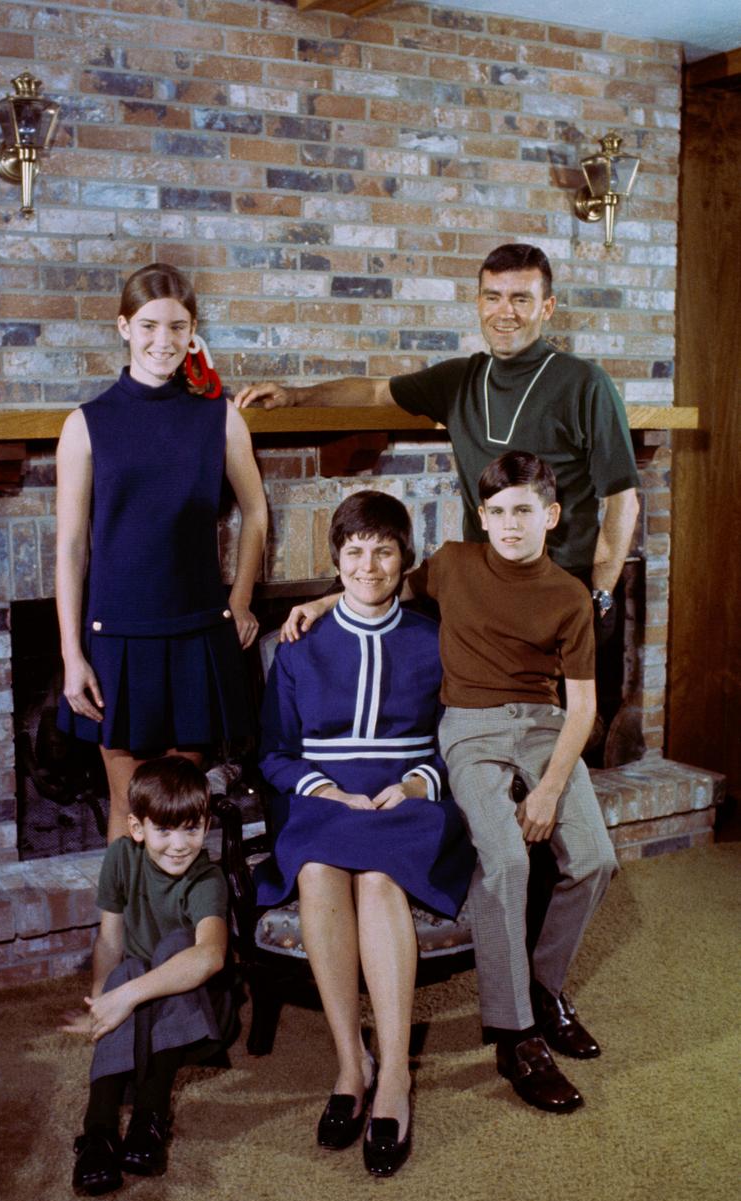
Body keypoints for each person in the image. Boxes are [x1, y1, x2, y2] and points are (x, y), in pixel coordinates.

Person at [282, 453, 619, 1114]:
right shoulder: (454, 563)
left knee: (593, 858)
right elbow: (380, 585)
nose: (508, 525)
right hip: (470, 727)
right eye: (495, 512)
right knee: (502, 860)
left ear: (548, 516)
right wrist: (325, 599)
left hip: (548, 725)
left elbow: (581, 709)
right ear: (480, 518)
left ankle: (544, 987)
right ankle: (514, 1033)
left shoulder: (569, 595)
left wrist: (549, 789)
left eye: (522, 510)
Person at [235, 242, 640, 744]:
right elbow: (377, 392)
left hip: (558, 594)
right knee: (485, 733)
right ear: (478, 303)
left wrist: (598, 591)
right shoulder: (461, 379)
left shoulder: (585, 384)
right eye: (492, 297)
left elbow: (623, 498)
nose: (504, 312)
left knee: (556, 741)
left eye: (520, 298)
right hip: (484, 594)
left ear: (547, 307)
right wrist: (297, 396)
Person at [257, 491, 475, 1176]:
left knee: (379, 878)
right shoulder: (297, 646)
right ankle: (351, 1067)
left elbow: (457, 736)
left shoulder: (435, 637)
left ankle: (395, 1081)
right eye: (354, 551)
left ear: (404, 558)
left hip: (409, 800)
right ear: (335, 561)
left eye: (383, 549)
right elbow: (272, 752)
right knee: (319, 871)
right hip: (324, 801)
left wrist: (416, 785)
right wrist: (325, 790)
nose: (368, 564)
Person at [56, 262, 268, 841]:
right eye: (149, 325)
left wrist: (242, 598)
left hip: (197, 631)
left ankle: (183, 931)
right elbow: (72, 548)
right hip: (117, 636)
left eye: (177, 327)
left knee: (179, 805)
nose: (163, 341)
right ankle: (118, 933)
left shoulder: (219, 418)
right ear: (124, 327)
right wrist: (72, 657)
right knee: (128, 799)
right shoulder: (85, 424)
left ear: (193, 330)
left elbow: (256, 513)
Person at [62, 756, 238, 1196]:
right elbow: (108, 942)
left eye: (191, 828)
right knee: (130, 966)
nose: (179, 844)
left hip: (202, 1016)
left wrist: (126, 998)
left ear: (205, 825)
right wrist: (101, 1007)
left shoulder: (207, 877)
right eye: (164, 830)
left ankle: (150, 1118)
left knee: (175, 948)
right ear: (137, 828)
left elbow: (211, 956)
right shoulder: (122, 856)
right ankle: (98, 1133)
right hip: (141, 1001)